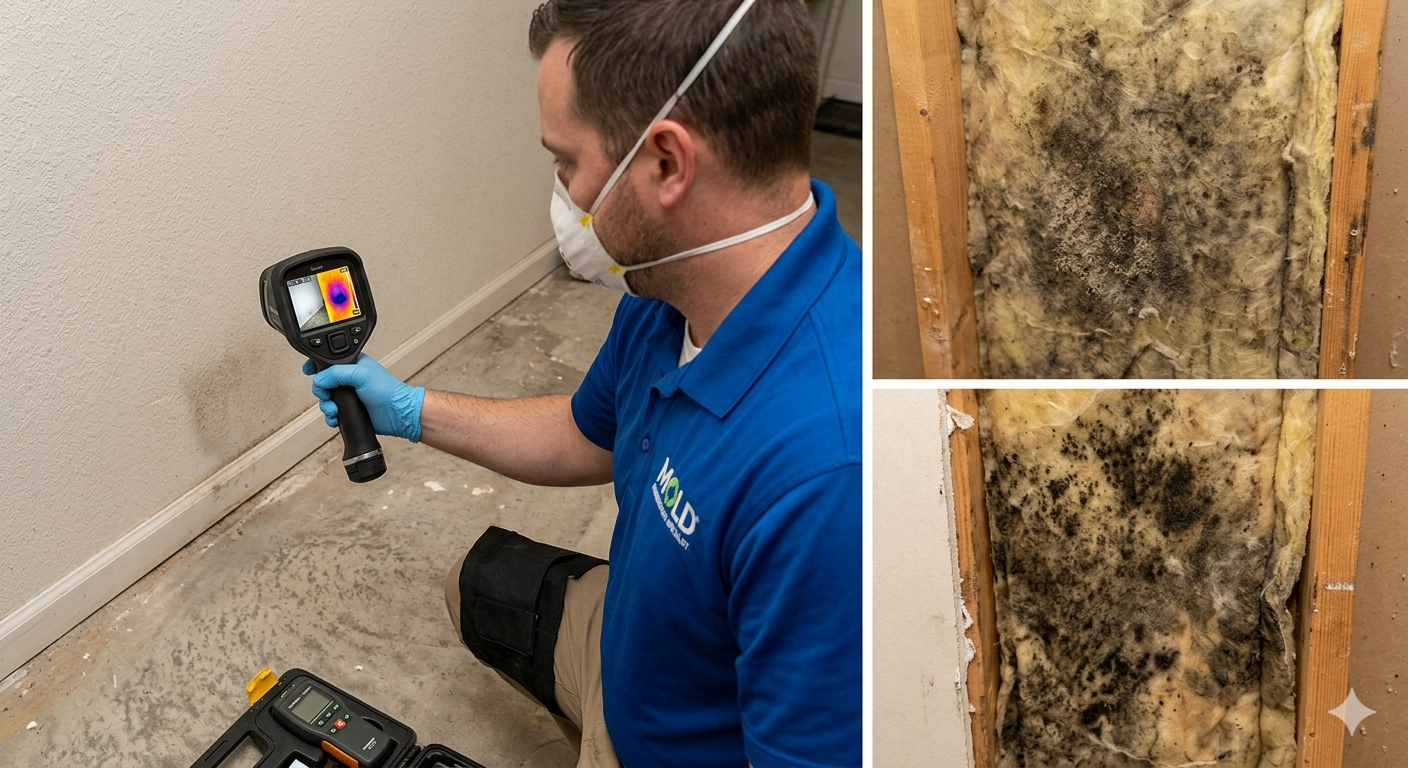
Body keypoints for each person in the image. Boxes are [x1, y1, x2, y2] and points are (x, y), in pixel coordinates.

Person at [306, 0, 860, 765]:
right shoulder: (665, 289)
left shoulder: (827, 480)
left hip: (673, 744)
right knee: (472, 584)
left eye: (567, 161)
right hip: (639, 643)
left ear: (666, 162)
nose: (563, 192)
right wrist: (408, 410)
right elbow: (584, 432)